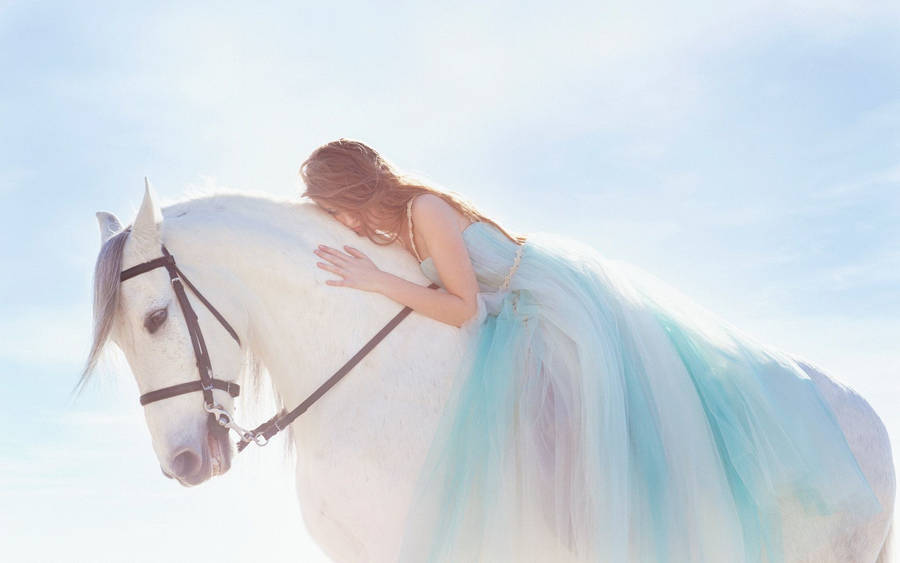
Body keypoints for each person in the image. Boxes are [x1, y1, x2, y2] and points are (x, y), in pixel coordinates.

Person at [300, 138, 882, 562]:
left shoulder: (421, 211)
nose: (341, 221)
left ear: (350, 191)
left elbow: (463, 307)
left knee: (567, 422)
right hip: (513, 315)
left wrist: (378, 282)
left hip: (545, 307)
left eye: (333, 206)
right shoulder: (400, 226)